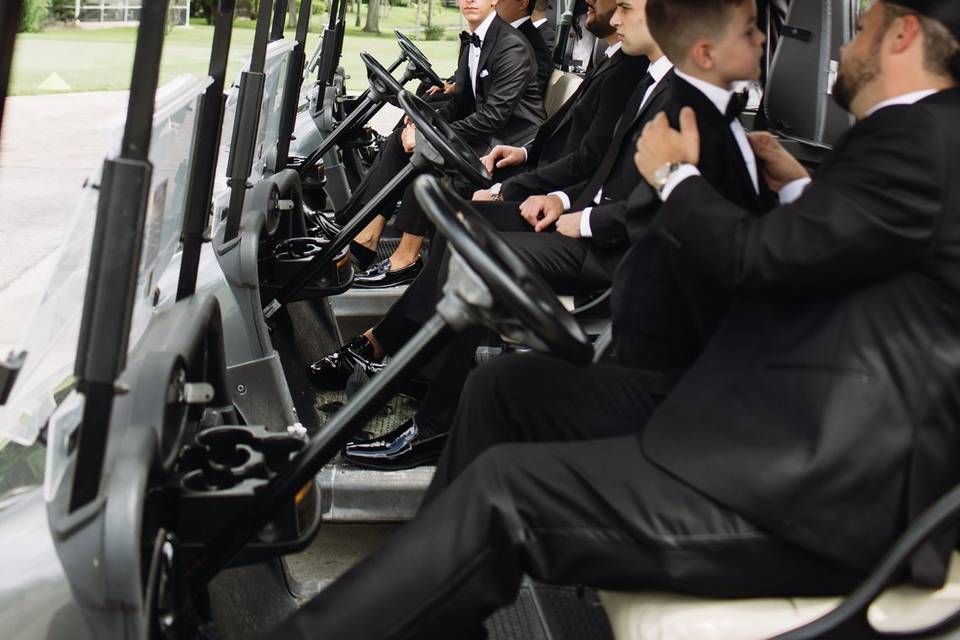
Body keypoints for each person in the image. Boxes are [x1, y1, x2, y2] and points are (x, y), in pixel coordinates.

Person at [266, 1, 960, 637]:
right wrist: (800, 185)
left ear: (903, 34)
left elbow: (764, 260)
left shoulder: (918, 139)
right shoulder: (916, 141)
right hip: (757, 419)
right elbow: (840, 248)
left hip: (814, 491)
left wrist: (676, 179)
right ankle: (435, 608)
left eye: (863, 24)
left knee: (506, 491)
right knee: (505, 389)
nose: (844, 45)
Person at [339, 0, 776, 470]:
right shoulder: (654, 83)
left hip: (613, 257)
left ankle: (434, 420)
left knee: (485, 259)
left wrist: (584, 219)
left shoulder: (686, 106)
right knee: (468, 223)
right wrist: (566, 202)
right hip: (594, 224)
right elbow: (610, 170)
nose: (617, 18)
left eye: (627, 8)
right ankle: (426, 372)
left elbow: (663, 209)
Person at [309, 0, 648, 390]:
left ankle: (404, 356)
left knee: (466, 230)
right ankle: (392, 327)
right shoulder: (621, 61)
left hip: (591, 230)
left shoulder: (632, 72)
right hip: (554, 185)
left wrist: (534, 193)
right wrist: (525, 161)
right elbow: (577, 148)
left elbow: (587, 161)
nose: (599, 7)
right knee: (461, 220)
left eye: (624, 5)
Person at [335, 0, 546, 282]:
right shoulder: (474, 40)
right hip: (487, 134)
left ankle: (406, 258)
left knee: (429, 154)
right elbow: (460, 103)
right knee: (400, 141)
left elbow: (493, 116)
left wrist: (430, 134)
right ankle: (365, 237)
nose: (470, 0)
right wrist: (426, 121)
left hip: (509, 145)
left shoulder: (512, 45)